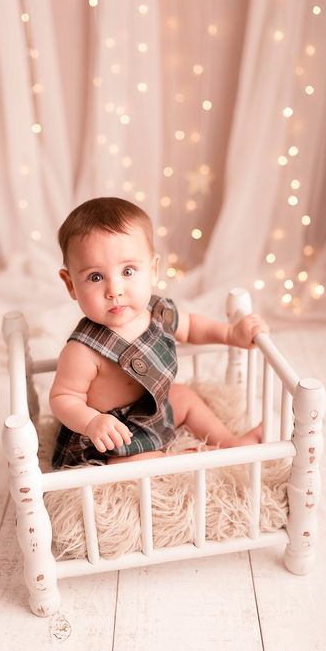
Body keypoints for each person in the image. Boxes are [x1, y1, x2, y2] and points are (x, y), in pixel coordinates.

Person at [49, 197, 268, 468]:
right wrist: (92, 421)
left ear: (152, 270)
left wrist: (231, 334)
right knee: (131, 464)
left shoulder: (158, 313)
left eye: (128, 271)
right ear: (70, 284)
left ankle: (228, 441)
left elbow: (192, 327)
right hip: (111, 438)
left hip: (152, 412)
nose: (114, 290)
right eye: (96, 277)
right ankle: (181, 461)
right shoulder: (82, 351)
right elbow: (63, 398)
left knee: (183, 396)